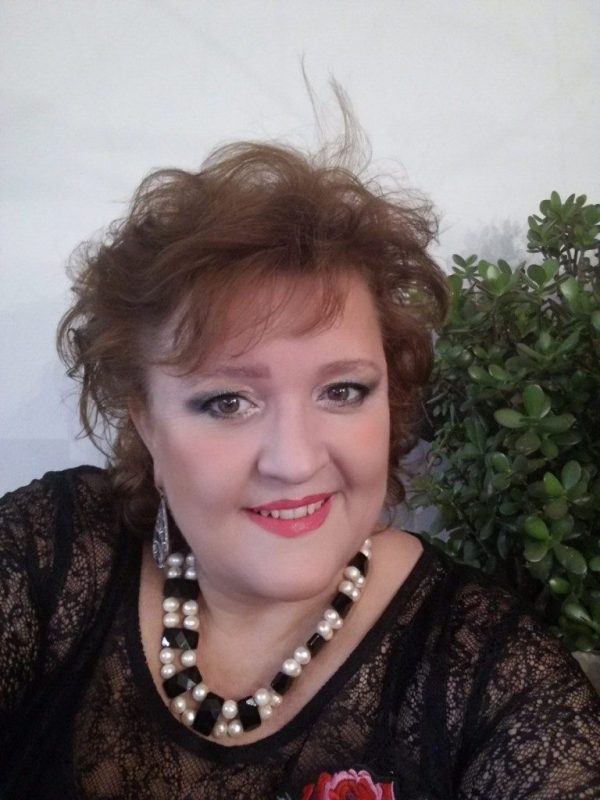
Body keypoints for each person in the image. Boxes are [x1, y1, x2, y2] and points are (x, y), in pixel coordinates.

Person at [1, 119, 600, 800]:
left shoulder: (492, 673)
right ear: (147, 422)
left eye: (342, 391)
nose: (293, 462)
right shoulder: (51, 555)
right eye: (228, 401)